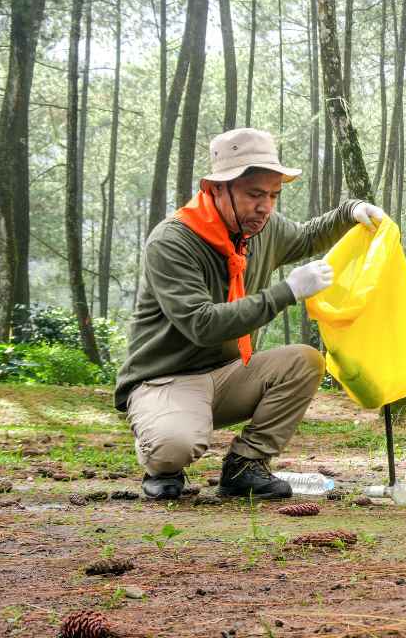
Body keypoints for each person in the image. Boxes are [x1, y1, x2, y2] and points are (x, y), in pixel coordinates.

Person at [114, 127, 387, 500]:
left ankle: (245, 466)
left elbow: (307, 237)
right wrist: (286, 292)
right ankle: (161, 452)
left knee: (303, 361)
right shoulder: (173, 241)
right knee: (174, 446)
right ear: (217, 189)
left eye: (273, 195)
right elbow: (202, 324)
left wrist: (350, 211)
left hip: (227, 374)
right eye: (254, 194)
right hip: (166, 379)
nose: (265, 206)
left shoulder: (262, 228)